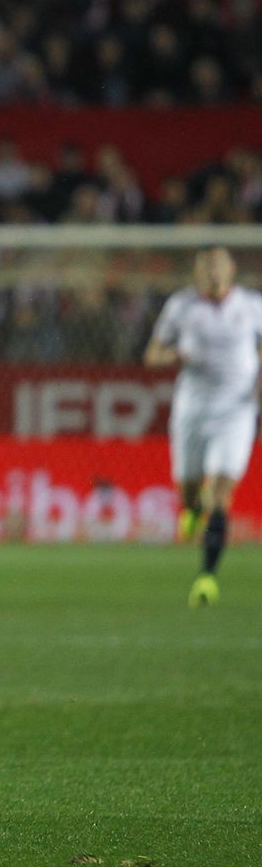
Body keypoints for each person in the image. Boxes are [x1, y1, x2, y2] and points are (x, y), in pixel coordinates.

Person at [143, 247, 262, 606]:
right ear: (197, 273)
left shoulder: (252, 306)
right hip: (192, 411)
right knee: (190, 493)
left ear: (231, 270)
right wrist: (174, 355)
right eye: (206, 267)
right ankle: (193, 510)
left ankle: (206, 577)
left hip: (236, 411)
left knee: (221, 495)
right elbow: (152, 355)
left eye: (218, 266)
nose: (213, 272)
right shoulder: (182, 307)